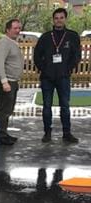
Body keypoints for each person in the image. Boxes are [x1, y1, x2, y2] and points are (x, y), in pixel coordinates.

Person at [34, 8, 81, 144]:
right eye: (56, 18)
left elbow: (76, 55)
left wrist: (67, 69)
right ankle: (47, 133)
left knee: (65, 106)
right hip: (47, 78)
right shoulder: (46, 37)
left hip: (63, 77)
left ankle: (67, 133)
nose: (58, 20)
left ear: (65, 19)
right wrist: (44, 69)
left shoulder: (72, 36)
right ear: (53, 20)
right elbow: (37, 55)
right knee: (47, 106)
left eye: (61, 17)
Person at [0, 19, 23, 146]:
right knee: (4, 109)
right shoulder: (4, 43)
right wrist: (4, 82)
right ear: (7, 29)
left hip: (12, 80)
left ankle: (3, 132)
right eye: (15, 28)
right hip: (6, 81)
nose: (18, 30)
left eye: (19, 28)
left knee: (7, 109)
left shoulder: (12, 42)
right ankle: (0, 135)